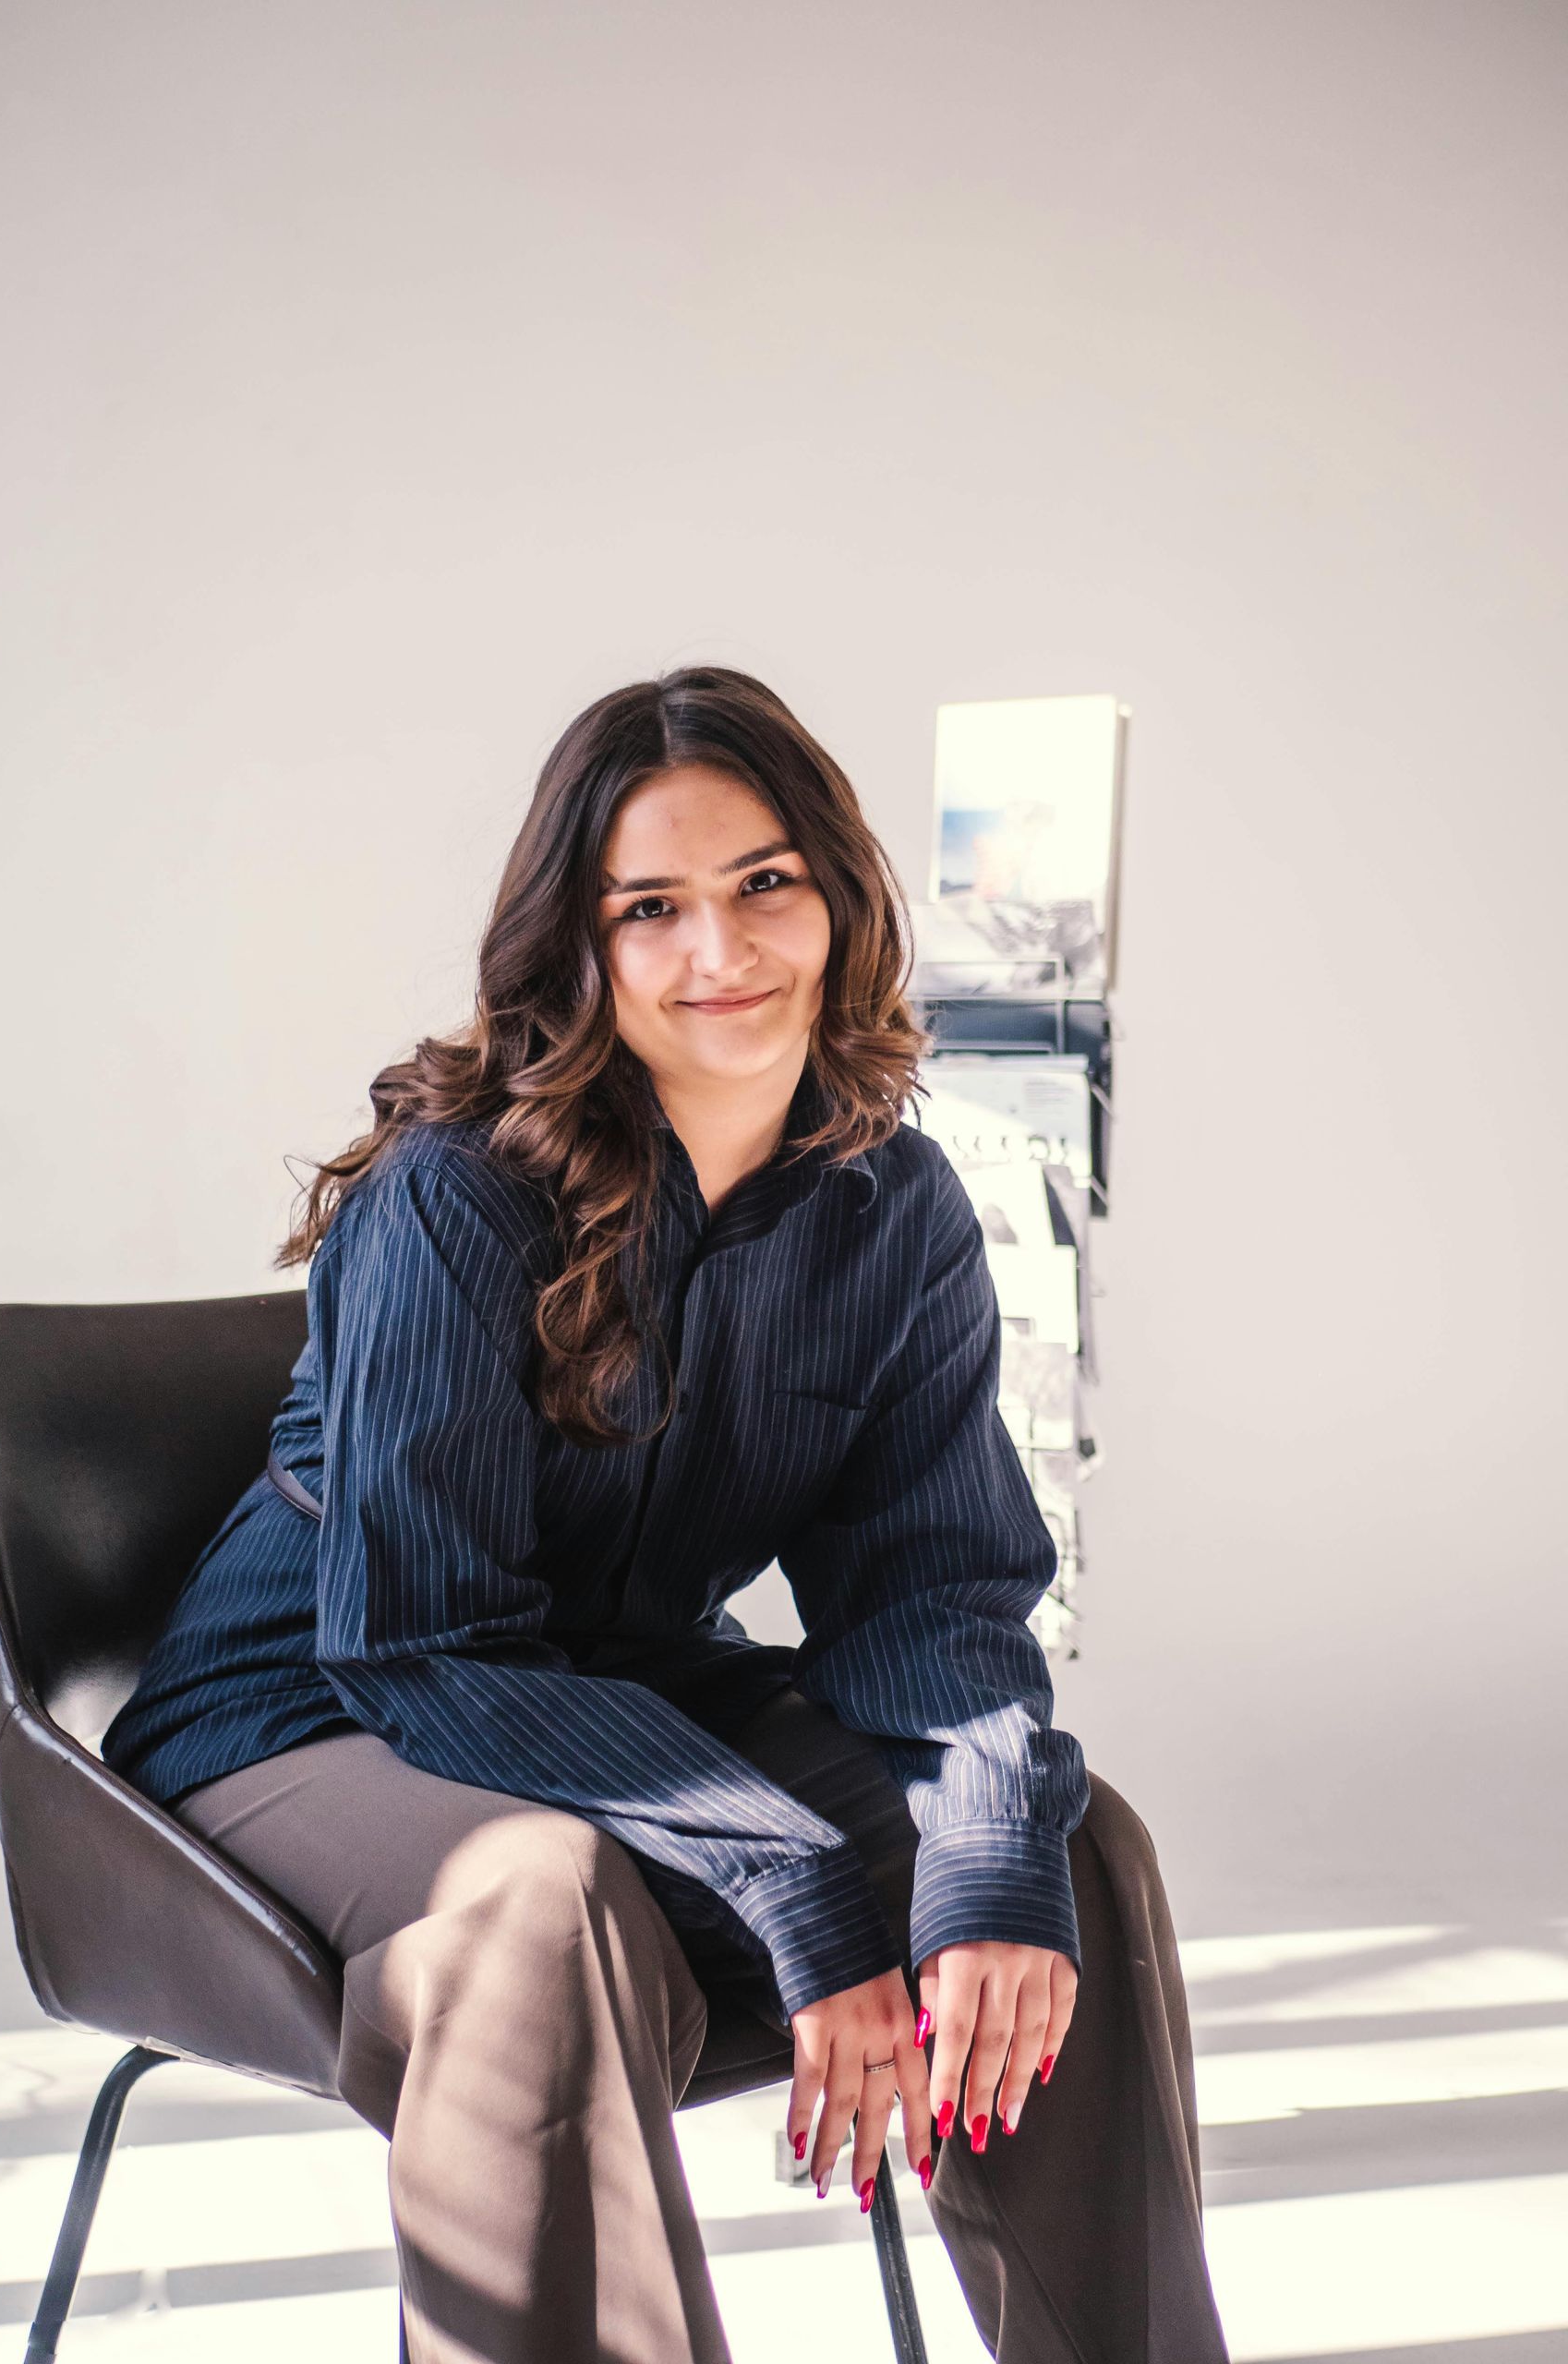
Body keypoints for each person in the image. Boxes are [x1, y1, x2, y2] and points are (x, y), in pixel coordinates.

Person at [100, 665, 1231, 2363]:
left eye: (765, 883)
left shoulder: (893, 1209)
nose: (723, 954)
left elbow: (928, 1596)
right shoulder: (454, 1204)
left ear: (841, 896)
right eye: (652, 909)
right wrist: (788, 1867)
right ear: (583, 944)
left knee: (1054, 1845)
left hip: (608, 1692)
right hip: (302, 1718)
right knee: (545, 1900)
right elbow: (418, 1640)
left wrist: (978, 1849)